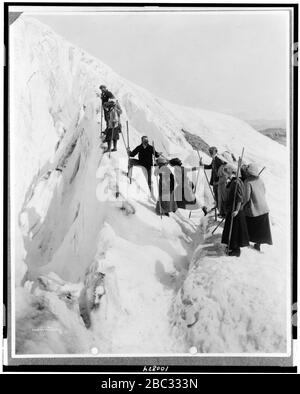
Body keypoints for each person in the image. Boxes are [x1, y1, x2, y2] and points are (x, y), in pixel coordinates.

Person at [221, 163, 249, 257]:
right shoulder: (233, 181)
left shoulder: (236, 183)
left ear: (229, 172)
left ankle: (235, 250)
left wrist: (237, 210)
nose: (224, 175)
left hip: (236, 211)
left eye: (225, 173)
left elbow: (239, 198)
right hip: (232, 209)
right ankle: (231, 247)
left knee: (235, 231)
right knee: (231, 230)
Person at [243, 163, 272, 251]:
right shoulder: (260, 179)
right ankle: (258, 244)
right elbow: (264, 191)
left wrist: (242, 205)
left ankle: (246, 240)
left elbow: (247, 197)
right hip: (263, 207)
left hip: (255, 208)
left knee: (249, 222)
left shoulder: (247, 182)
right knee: (260, 227)